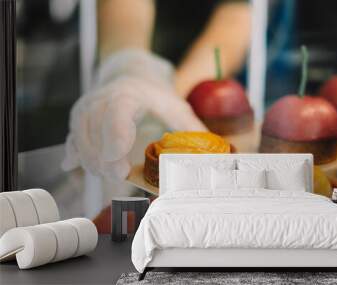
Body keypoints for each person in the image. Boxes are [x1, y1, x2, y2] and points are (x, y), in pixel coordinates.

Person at [62, 0, 251, 181]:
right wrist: (130, 65)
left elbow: (234, 21)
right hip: (103, 79)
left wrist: (169, 95)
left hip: (201, 94)